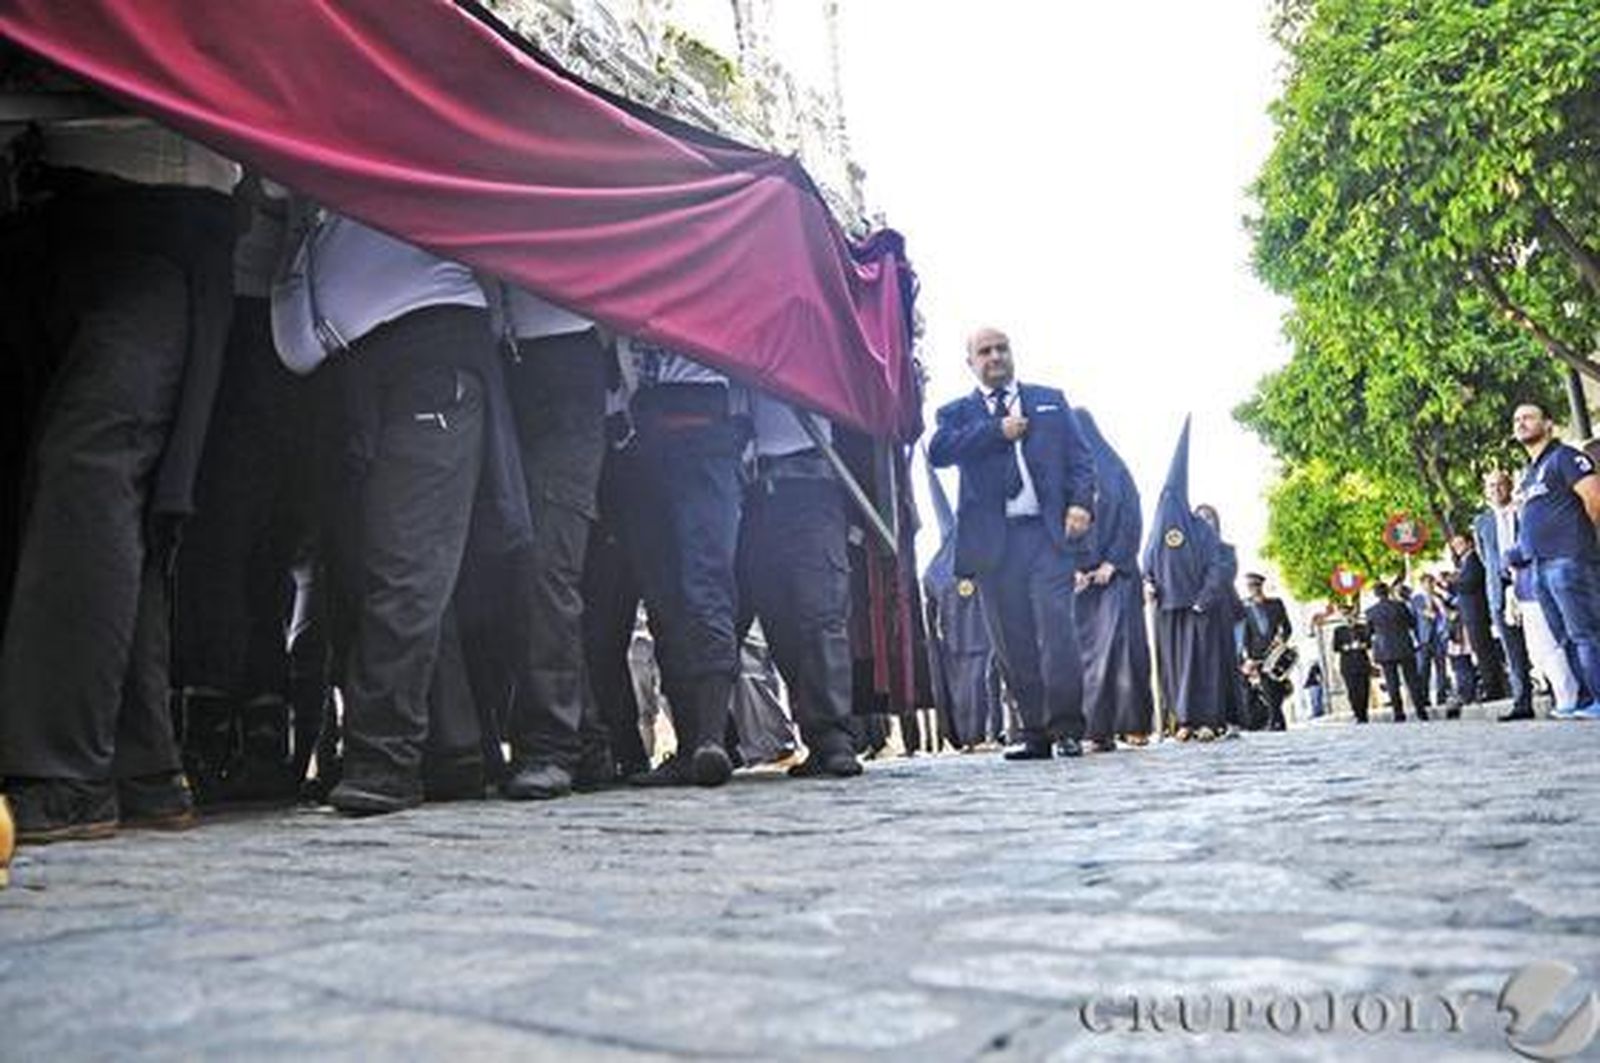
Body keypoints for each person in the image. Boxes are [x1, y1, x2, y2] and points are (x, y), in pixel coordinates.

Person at [0, 104, 238, 842]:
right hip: (64, 216)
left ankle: (61, 775)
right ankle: (144, 765)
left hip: (159, 215)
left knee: (89, 472)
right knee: (92, 490)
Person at [275, 212, 527, 815]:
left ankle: (384, 760)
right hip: (360, 367)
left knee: (405, 565)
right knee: (385, 570)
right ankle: (452, 750)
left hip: (426, 352)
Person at [927, 326, 1095, 760]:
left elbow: (1081, 459)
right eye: (985, 351)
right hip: (993, 546)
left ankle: (1068, 728)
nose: (995, 356)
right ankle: (1035, 732)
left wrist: (1080, 504)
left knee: (1057, 632)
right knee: (1012, 641)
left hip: (1045, 536)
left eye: (1002, 348)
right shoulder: (958, 413)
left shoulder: (1050, 400)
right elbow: (939, 451)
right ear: (971, 363)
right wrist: (995, 431)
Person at [613, 339, 748, 785]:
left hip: (704, 430)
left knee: (704, 586)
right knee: (664, 599)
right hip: (643, 438)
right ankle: (694, 743)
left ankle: (709, 739)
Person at [493, 287, 609, 800]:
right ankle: (583, 738)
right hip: (502, 362)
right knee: (520, 570)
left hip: (567, 360)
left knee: (547, 566)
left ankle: (551, 744)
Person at [734, 393, 862, 777]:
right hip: (752, 493)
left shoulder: (804, 343)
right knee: (779, 621)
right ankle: (819, 737)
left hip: (809, 483)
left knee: (821, 616)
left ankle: (835, 738)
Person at [1142, 420, 1240, 741]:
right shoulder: (1156, 533)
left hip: (1199, 608)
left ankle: (1208, 720)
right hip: (1168, 611)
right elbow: (1147, 565)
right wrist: (1148, 584)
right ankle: (1183, 720)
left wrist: (1204, 598)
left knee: (1204, 668)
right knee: (1175, 670)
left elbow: (1217, 567)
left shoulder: (1201, 530)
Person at [1511, 402, 1600, 719]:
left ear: (1548, 424)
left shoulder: (1566, 457)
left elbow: (1594, 498)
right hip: (1539, 567)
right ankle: (1587, 700)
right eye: (1517, 419)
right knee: (1564, 637)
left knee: (1585, 632)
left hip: (1569, 559)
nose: (1521, 423)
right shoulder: (1531, 472)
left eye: (1529, 417)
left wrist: (1581, 541)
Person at [1072, 410, 1154, 749]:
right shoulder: (1066, 476)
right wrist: (1072, 568)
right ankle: (1097, 731)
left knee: (1124, 651)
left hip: (1116, 577)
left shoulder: (1116, 471)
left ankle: (1134, 725)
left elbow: (1131, 519)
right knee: (1087, 659)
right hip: (1082, 586)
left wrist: (1113, 562)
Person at [922, 458, 1003, 750]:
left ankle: (982, 735)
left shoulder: (945, 564)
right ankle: (971, 737)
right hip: (958, 641)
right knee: (965, 690)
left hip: (977, 637)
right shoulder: (938, 566)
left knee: (981, 687)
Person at [1474, 470, 1536, 720]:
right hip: (1499, 591)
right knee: (1513, 649)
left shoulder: (1524, 510)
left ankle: (1562, 693)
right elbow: (1483, 556)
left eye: (1501, 484)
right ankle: (1522, 702)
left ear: (1509, 486)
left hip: (1529, 583)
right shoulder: (1481, 522)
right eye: (1491, 486)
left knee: (1544, 642)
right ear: (1485, 491)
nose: (1496, 489)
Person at [1449, 532, 1508, 708]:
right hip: (1470, 614)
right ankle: (1491, 686)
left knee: (1484, 650)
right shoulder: (1464, 562)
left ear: (1469, 543)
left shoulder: (1474, 560)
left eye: (1459, 543)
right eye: (1454, 545)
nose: (1457, 548)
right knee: (1480, 651)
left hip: (1477, 612)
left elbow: (1470, 583)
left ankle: (1493, 688)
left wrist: (1453, 582)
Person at [1364, 582, 1430, 721]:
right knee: (1412, 680)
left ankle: (1398, 713)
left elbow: (1368, 634)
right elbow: (1412, 623)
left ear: (1376, 594)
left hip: (1385, 649)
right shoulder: (1400, 606)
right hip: (1404, 646)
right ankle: (1421, 711)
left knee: (1392, 682)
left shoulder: (1371, 612)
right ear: (1388, 592)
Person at [1240, 572, 1293, 731]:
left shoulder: (1276, 604)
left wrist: (1282, 640)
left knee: (1278, 687)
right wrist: (1247, 657)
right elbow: (1244, 634)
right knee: (1267, 687)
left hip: (1276, 653)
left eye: (1255, 586)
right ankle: (1276, 721)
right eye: (1250, 586)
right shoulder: (1244, 608)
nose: (1253, 589)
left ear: (1261, 586)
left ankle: (1277, 720)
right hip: (1257, 655)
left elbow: (1287, 627)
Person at [1411, 574, 1451, 705]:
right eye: (1427, 583)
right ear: (1422, 584)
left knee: (1441, 668)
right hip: (1424, 639)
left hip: (1439, 637)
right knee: (1424, 670)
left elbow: (1445, 613)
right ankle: (1424, 698)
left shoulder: (1438, 597)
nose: (1430, 586)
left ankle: (1442, 696)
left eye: (1431, 583)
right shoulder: (1417, 599)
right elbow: (1418, 616)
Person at [1331, 604, 1373, 723]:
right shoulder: (1339, 630)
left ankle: (1364, 713)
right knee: (1352, 690)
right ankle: (1357, 713)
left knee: (1364, 689)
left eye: (1350, 615)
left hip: (1362, 662)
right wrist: (1347, 647)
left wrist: (1361, 645)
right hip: (1347, 664)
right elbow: (1335, 647)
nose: (1348, 618)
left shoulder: (1362, 627)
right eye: (1344, 615)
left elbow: (1369, 643)